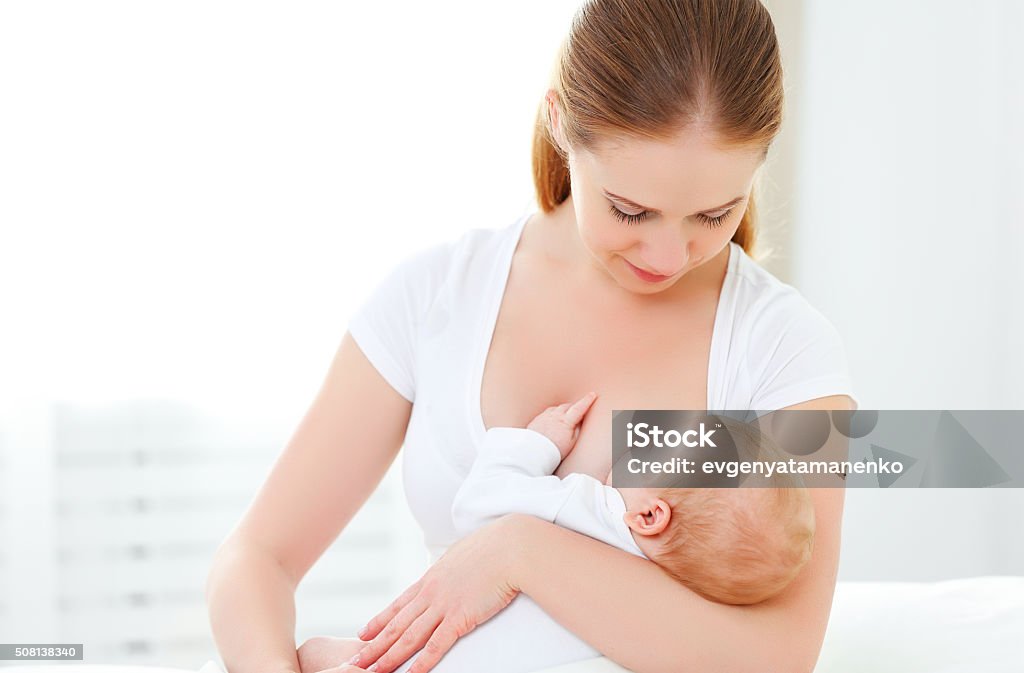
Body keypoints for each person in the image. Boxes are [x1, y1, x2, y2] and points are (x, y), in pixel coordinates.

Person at [205, 1, 858, 672]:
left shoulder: (782, 348)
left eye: (715, 213)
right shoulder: (436, 297)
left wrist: (519, 552)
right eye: (631, 209)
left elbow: (780, 654)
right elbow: (257, 557)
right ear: (559, 121)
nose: (668, 255)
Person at [452, 394, 817, 608]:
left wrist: (538, 444)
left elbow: (479, 504)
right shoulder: (670, 592)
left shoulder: (593, 512)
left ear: (649, 516)